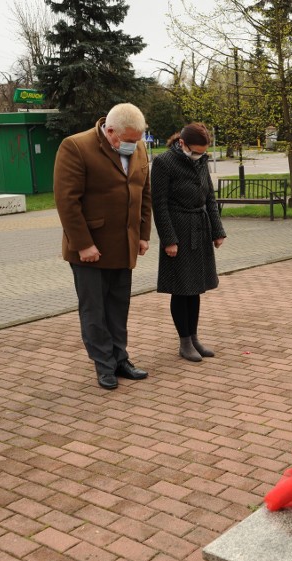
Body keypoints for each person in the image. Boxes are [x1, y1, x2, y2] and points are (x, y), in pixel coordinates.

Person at [54, 103, 153, 390]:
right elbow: (67, 201)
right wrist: (83, 244)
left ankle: (121, 359)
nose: (135, 146)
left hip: (124, 245)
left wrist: (143, 234)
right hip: (90, 249)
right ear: (111, 132)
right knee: (94, 311)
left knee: (118, 308)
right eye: (131, 141)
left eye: (138, 141)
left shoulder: (139, 148)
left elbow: (144, 194)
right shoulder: (75, 147)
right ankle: (104, 365)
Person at [151, 122, 226, 362]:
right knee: (181, 289)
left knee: (195, 288)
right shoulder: (164, 163)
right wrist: (169, 239)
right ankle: (184, 342)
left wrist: (217, 230)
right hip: (178, 231)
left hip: (200, 229)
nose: (198, 155)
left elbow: (210, 198)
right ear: (182, 143)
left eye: (202, 152)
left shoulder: (201, 161)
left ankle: (193, 337)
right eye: (195, 151)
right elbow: (159, 205)